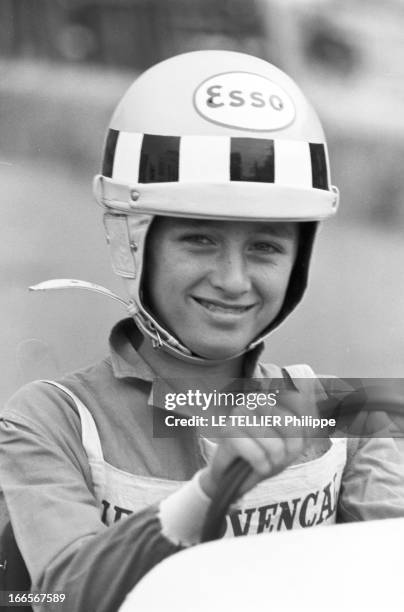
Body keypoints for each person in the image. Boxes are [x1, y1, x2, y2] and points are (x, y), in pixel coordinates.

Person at [1, 50, 403, 612]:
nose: (233, 280)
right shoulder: (48, 420)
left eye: (265, 247)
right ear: (138, 242)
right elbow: (60, 597)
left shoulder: (348, 413)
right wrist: (207, 497)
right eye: (199, 239)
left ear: (299, 261)